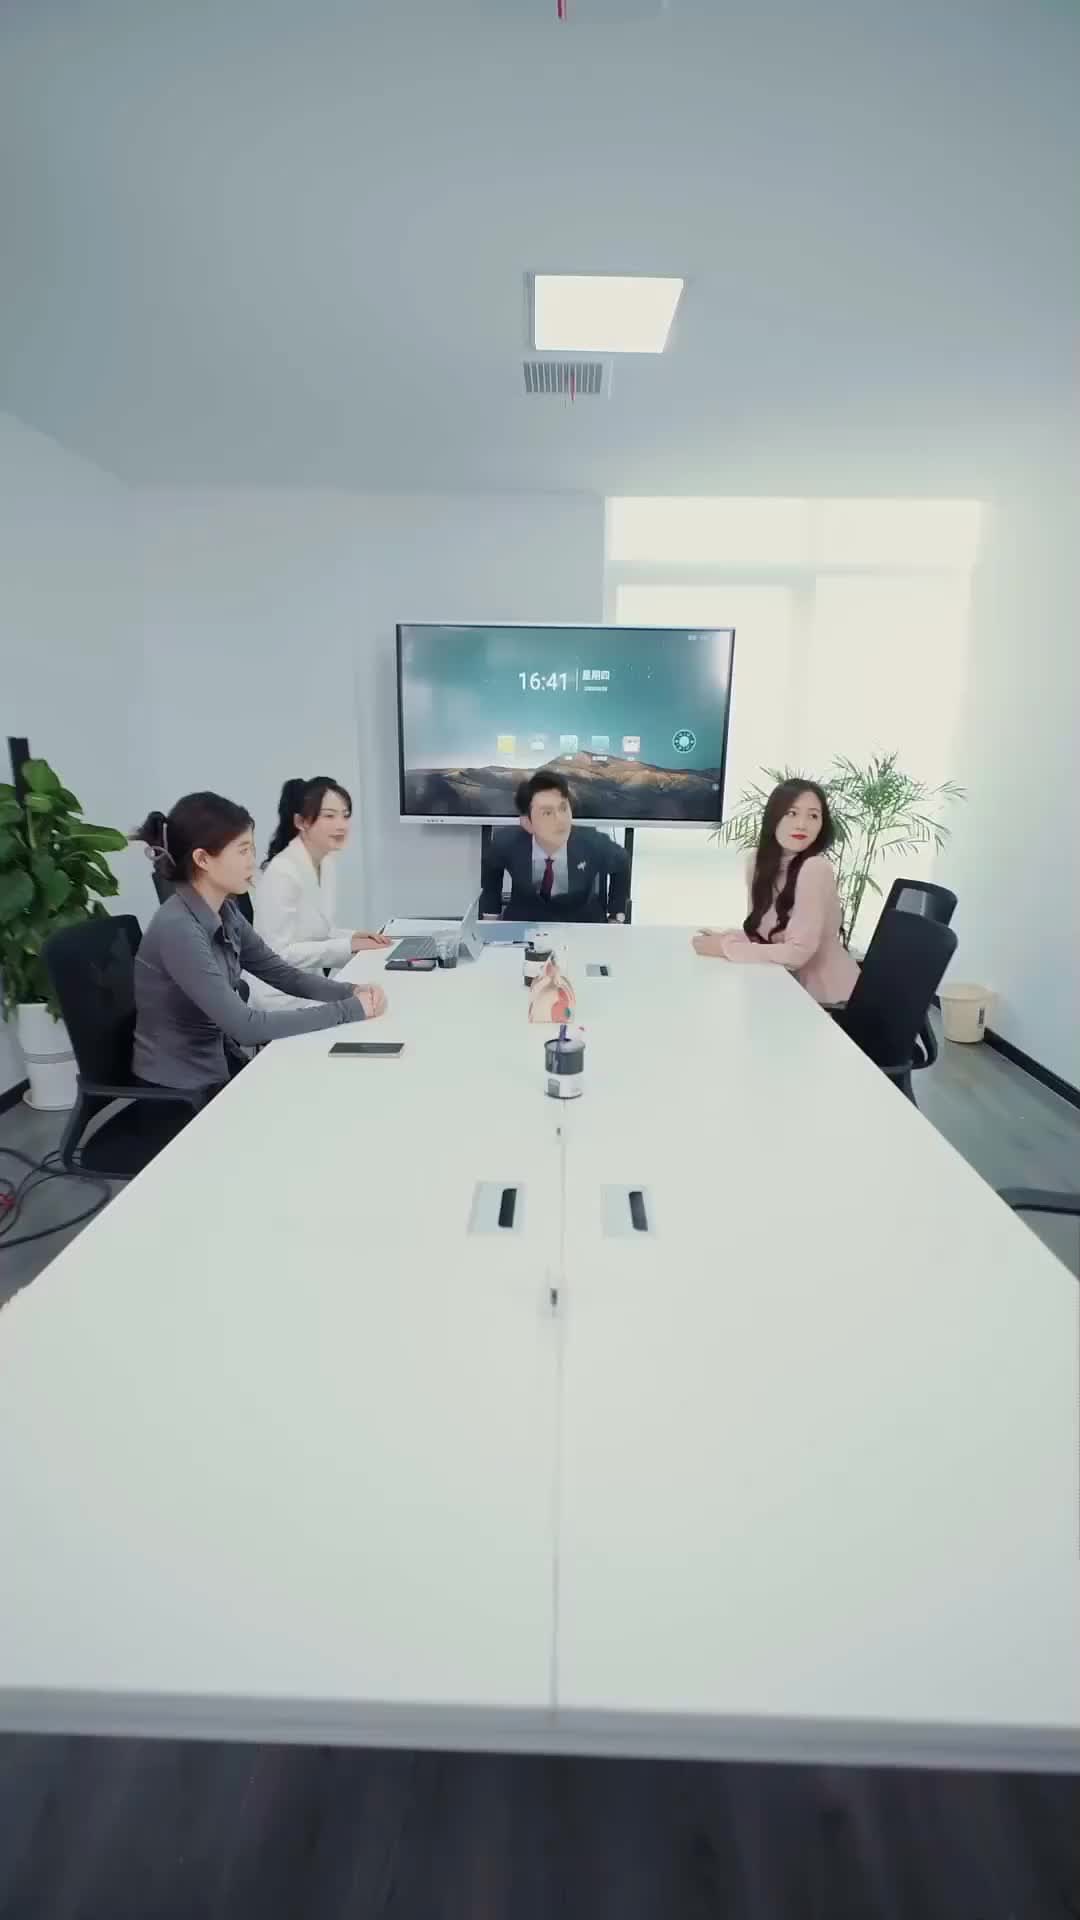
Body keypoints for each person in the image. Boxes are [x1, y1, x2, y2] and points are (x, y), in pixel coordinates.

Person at [132, 792, 387, 1091]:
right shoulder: (179, 928)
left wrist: (350, 991)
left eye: (251, 850)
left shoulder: (225, 911)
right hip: (183, 1089)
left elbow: (282, 975)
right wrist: (350, 1009)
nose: (251, 862)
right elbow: (247, 1027)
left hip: (220, 1066)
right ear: (203, 859)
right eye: (242, 851)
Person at [692, 779, 859, 1005]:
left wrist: (725, 948)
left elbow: (797, 953)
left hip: (830, 1001)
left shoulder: (815, 868)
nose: (802, 825)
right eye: (791, 813)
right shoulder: (757, 863)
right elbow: (762, 937)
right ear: (774, 817)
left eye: (813, 816)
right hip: (784, 989)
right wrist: (728, 938)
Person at [251, 776, 389, 1006]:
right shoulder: (282, 872)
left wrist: (354, 936)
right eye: (329, 816)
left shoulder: (326, 863)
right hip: (278, 995)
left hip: (308, 984)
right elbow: (277, 954)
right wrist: (348, 946)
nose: (341, 825)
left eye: (345, 815)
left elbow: (318, 932)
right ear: (301, 822)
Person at [480, 771, 629, 924]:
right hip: (523, 924)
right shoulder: (507, 843)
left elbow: (622, 861)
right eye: (547, 813)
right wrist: (491, 917)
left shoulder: (592, 842)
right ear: (527, 823)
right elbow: (492, 867)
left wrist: (616, 916)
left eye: (563, 808)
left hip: (581, 924)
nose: (560, 820)